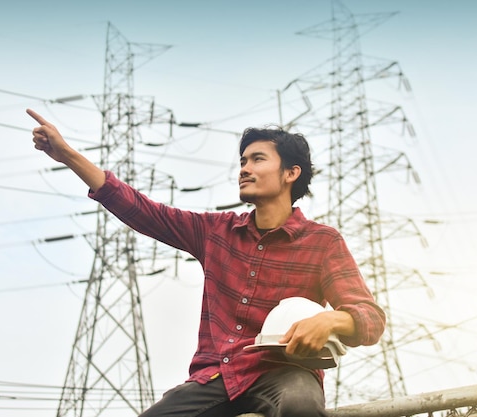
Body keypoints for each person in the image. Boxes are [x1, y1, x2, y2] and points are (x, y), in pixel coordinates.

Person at [27, 108, 386, 417]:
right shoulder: (217, 232)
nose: (244, 168)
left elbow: (370, 318)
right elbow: (141, 210)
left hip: (286, 374)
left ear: (291, 173)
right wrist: (68, 155)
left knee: (301, 405)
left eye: (258, 159)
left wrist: (329, 319)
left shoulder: (322, 241)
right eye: (242, 161)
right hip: (216, 377)